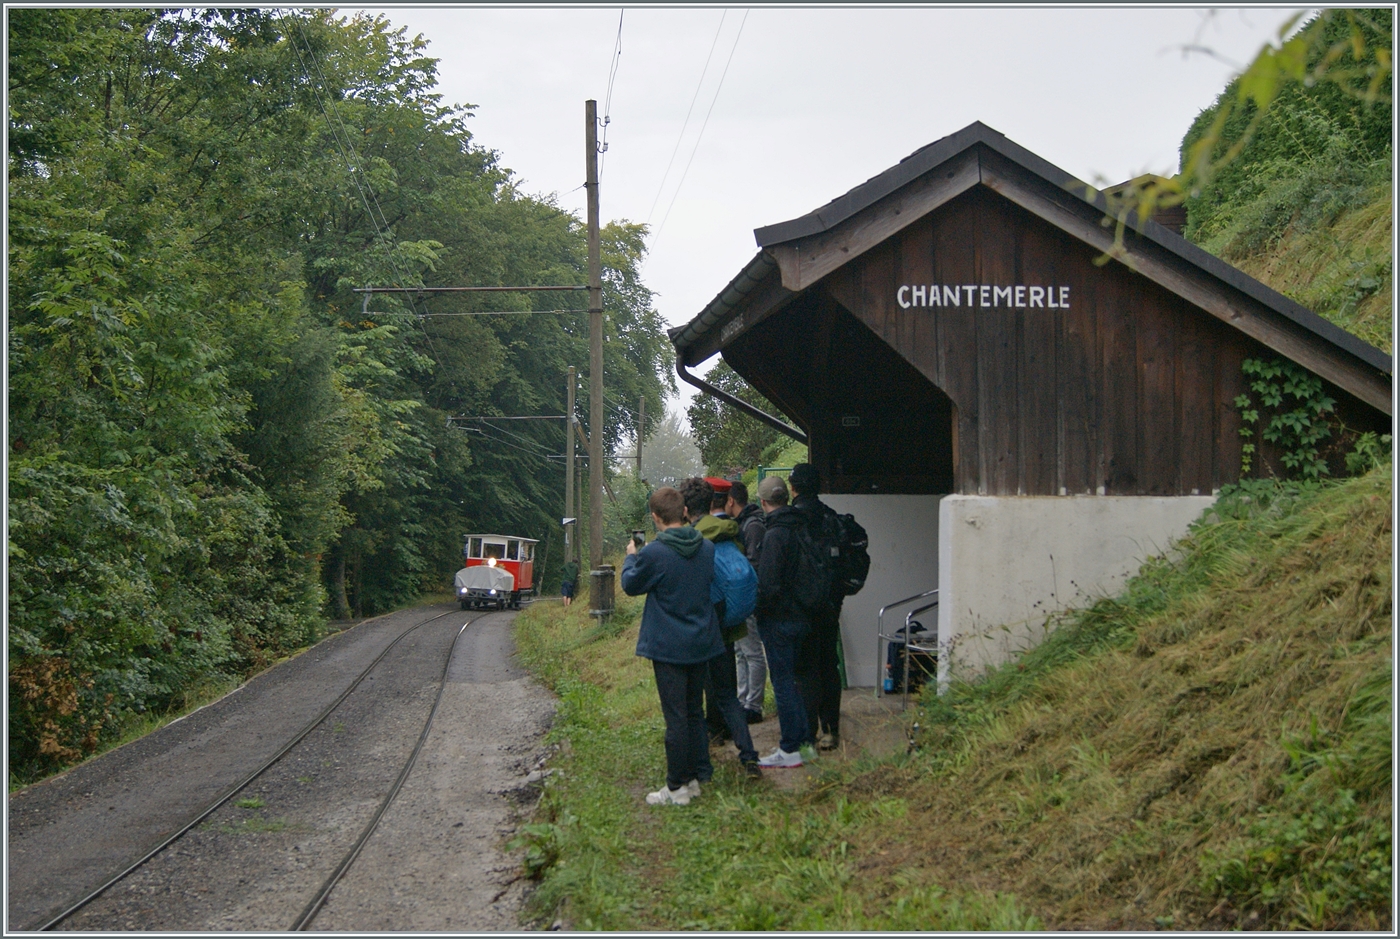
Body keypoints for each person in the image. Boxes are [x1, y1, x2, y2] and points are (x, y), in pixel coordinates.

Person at [621, 486, 724, 806]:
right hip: (701, 641)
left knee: (676, 716)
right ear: (683, 511)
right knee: (694, 711)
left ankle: (677, 786)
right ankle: (695, 777)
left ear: (655, 517)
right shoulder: (706, 548)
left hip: (669, 646)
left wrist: (630, 557)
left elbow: (631, 585)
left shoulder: (654, 552)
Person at [676, 477, 761, 781]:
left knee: (695, 697)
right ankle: (749, 757)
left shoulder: (692, 539)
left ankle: (703, 768)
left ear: (685, 509)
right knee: (727, 695)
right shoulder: (729, 531)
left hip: (702, 624)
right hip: (727, 623)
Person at [752, 474, 813, 768]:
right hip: (805, 614)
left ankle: (790, 749)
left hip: (780, 619)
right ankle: (805, 744)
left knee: (784, 683)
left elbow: (769, 584)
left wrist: (758, 610)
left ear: (763, 502)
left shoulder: (775, 534)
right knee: (797, 681)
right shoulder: (803, 527)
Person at [789, 462, 844, 752]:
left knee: (806, 668)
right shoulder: (833, 518)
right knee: (828, 665)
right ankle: (831, 730)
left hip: (800, 608)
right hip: (831, 605)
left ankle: (807, 734)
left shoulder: (789, 521)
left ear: (793, 487)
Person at [726, 480, 767, 725]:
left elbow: (754, 565)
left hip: (748, 597)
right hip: (742, 597)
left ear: (731, 500)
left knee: (752, 652)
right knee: (741, 651)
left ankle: (754, 704)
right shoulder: (745, 523)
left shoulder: (751, 526)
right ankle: (744, 701)